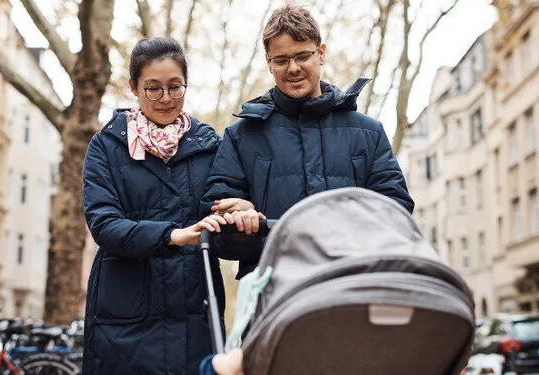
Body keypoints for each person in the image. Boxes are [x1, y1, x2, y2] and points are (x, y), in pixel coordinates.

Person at [202, 5, 414, 279]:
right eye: (281, 60)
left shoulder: (367, 133)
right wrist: (240, 224)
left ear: (321, 53)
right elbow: (217, 228)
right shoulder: (241, 137)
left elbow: (396, 208)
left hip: (356, 284)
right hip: (273, 289)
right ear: (269, 63)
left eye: (302, 56)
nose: (293, 68)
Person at [82, 37, 231, 375]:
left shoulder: (211, 146)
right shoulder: (105, 147)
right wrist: (170, 236)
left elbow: (221, 210)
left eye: (175, 87)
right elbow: (103, 224)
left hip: (195, 312)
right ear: (133, 87)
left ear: (185, 85)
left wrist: (236, 208)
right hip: (124, 321)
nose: (166, 98)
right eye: (153, 88)